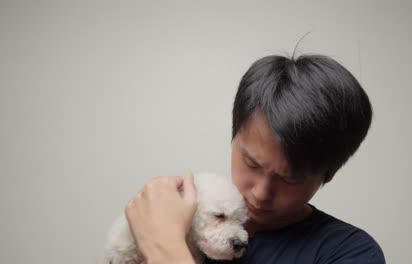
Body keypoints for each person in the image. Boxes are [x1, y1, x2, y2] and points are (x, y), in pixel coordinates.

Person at [125, 54, 386, 263]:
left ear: (328, 174)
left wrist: (164, 247)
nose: (261, 193)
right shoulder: (187, 219)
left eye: (289, 178)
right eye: (251, 163)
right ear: (233, 137)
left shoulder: (349, 252)